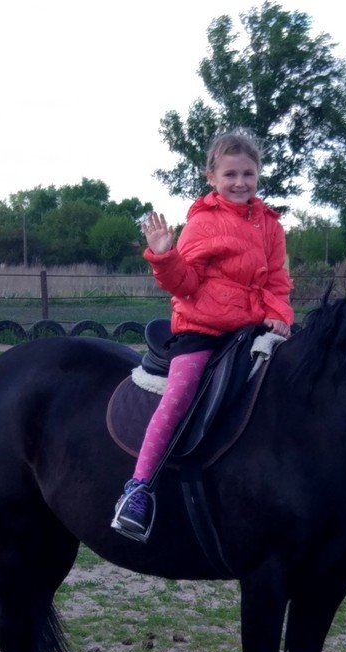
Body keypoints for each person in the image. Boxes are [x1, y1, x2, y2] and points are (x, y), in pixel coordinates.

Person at [110, 130, 294, 543]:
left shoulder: (270, 225)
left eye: (248, 173)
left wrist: (280, 314)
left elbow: (278, 281)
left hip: (254, 328)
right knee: (180, 395)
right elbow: (184, 284)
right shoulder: (203, 222)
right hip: (204, 329)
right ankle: (138, 489)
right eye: (230, 174)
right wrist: (165, 255)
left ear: (258, 174)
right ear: (212, 177)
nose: (240, 182)